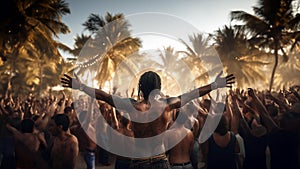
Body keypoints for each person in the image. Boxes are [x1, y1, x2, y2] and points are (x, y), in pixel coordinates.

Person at [61, 71, 234, 169]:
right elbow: (192, 94)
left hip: (139, 162)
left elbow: (103, 95)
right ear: (159, 87)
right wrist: (215, 85)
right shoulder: (167, 104)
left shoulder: (131, 106)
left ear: (141, 87)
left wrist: (80, 86)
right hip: (160, 161)